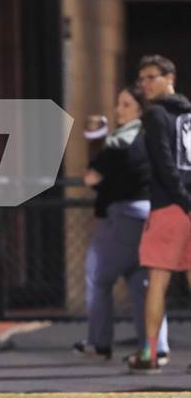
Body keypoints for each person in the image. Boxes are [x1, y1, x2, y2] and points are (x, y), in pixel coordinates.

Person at [73, 86, 169, 363]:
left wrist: (95, 142)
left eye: (126, 104)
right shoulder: (152, 140)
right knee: (143, 283)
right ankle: (155, 347)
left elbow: (91, 177)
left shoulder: (120, 142)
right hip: (148, 216)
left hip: (121, 217)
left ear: (140, 109)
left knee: (98, 277)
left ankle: (99, 343)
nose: (119, 110)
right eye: (119, 104)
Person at [128, 55, 191, 374]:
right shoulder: (188, 114)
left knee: (157, 281)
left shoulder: (155, 114)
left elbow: (164, 163)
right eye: (142, 79)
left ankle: (149, 354)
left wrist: (183, 200)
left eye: (151, 77)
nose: (145, 85)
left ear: (170, 78)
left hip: (170, 207)